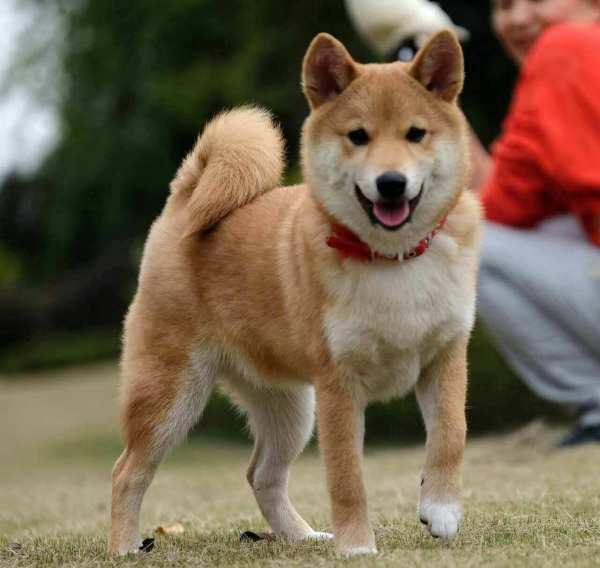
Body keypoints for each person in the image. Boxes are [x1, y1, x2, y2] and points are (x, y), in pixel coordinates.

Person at [346, 0, 600, 446]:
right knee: (545, 230)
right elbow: (516, 204)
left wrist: (421, 76)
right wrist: (429, 89)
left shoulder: (562, 48)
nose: (517, 18)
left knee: (468, 240)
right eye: (504, 4)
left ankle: (595, 402)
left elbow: (491, 210)